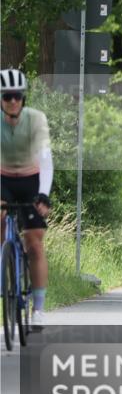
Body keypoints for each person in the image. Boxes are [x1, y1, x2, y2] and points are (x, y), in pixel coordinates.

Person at [0, 69, 54, 329]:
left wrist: (43, 194)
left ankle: (39, 309)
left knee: (34, 244)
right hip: (3, 180)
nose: (13, 101)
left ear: (24, 98)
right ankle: (5, 264)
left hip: (31, 180)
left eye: (17, 96)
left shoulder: (36, 120)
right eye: (7, 96)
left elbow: (45, 159)